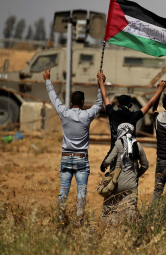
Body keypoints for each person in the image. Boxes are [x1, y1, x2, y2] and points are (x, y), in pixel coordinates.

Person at [43, 67, 103, 224]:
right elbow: (99, 102)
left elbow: (54, 98)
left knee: (63, 190)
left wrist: (47, 80)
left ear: (71, 102)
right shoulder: (87, 115)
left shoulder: (64, 113)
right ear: (83, 102)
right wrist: (100, 83)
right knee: (81, 191)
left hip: (66, 158)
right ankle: (79, 219)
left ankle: (61, 217)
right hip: (82, 159)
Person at [97, 71, 166, 172]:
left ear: (117, 104)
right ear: (130, 106)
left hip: (115, 154)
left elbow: (106, 97)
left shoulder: (112, 114)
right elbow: (149, 104)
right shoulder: (134, 116)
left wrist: (101, 81)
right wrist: (160, 89)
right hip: (130, 155)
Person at [101, 123, 149, 219]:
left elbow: (108, 160)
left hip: (117, 183)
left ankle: (108, 228)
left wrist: (103, 166)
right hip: (131, 183)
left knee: (109, 207)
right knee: (129, 209)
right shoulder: (138, 145)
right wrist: (136, 174)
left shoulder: (118, 144)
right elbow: (145, 165)